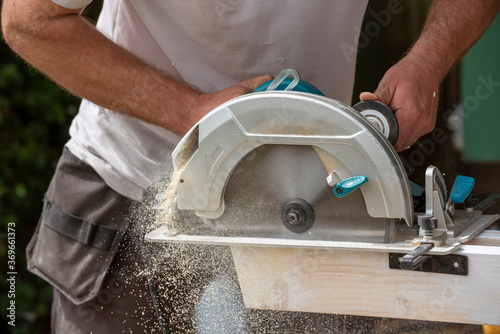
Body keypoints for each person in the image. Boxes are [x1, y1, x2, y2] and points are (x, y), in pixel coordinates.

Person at [2, 0, 500, 332]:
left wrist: (426, 64)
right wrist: (190, 110)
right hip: (125, 183)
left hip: (306, 201)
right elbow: (29, 18)